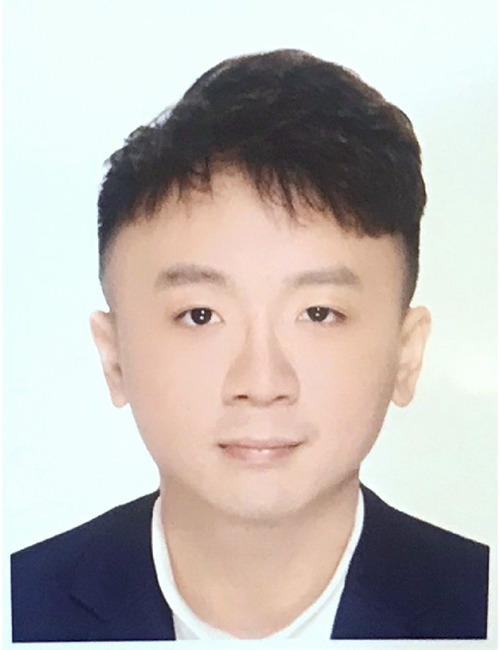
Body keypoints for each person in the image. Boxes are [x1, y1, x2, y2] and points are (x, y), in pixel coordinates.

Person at [10, 49, 489, 642]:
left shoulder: (480, 605)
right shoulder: (20, 607)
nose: (261, 383)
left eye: (319, 313)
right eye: (201, 315)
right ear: (114, 357)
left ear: (407, 355)